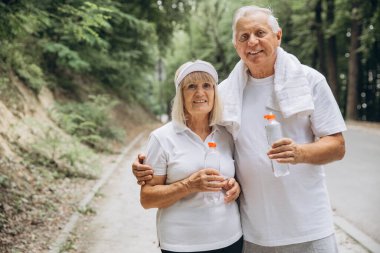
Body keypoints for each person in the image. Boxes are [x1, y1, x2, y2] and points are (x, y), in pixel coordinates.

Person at [133, 5, 346, 253]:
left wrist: (300, 153)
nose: (252, 42)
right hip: (254, 231)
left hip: (308, 224)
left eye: (260, 33)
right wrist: (146, 166)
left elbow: (337, 146)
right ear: (236, 45)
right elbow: (198, 141)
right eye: (244, 37)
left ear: (278, 36)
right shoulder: (225, 93)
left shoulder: (310, 81)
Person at [139, 60, 243, 253]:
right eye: (191, 86)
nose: (200, 93)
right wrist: (189, 185)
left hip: (230, 239)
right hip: (181, 244)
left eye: (207, 86)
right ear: (181, 95)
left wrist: (235, 187)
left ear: (214, 92)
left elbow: (236, 178)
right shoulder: (162, 138)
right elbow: (147, 198)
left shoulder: (228, 133)